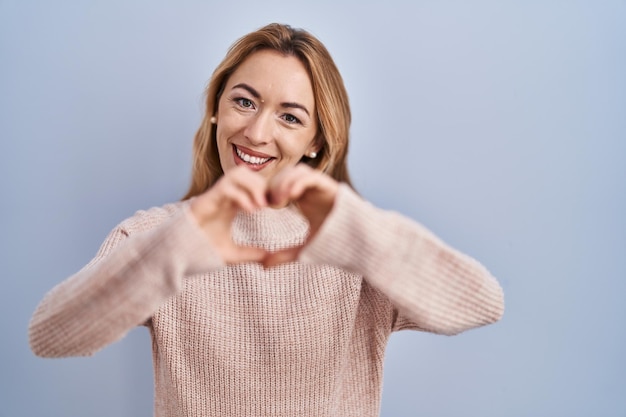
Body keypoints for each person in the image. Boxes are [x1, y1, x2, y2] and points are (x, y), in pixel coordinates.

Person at [29, 23, 504, 417]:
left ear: (317, 142)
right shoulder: (159, 236)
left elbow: (483, 303)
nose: (256, 133)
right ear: (216, 108)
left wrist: (353, 228)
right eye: (244, 101)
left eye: (291, 118)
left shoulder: (356, 242)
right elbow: (50, 335)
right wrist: (180, 245)